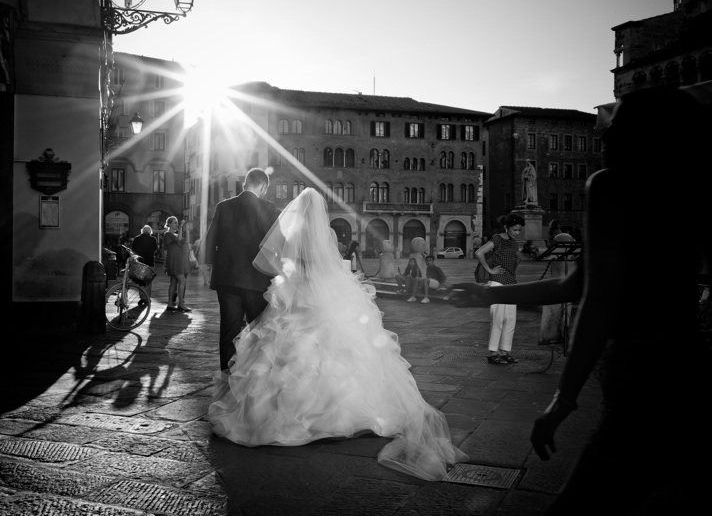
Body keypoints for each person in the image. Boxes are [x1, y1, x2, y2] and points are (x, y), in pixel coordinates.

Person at [449, 87, 711, 514]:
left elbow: (596, 297)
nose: (603, 136)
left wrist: (565, 397)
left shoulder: (613, 185)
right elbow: (575, 286)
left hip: (640, 373)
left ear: (644, 138)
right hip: (689, 364)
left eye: (617, 127)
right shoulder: (691, 192)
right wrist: (485, 294)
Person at [208, 188, 468, 481]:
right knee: (339, 348)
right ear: (321, 213)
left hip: (297, 295)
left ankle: (285, 414)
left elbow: (278, 264)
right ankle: (342, 413)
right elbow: (333, 268)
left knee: (278, 347)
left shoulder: (290, 234)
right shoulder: (327, 235)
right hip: (322, 297)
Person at [203, 167, 280, 372]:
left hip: (227, 281)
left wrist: (210, 264)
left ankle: (227, 377)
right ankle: (252, 379)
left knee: (229, 330)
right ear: (263, 186)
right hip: (257, 281)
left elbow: (211, 241)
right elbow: (276, 244)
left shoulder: (224, 207)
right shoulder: (268, 208)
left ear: (245, 184)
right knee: (258, 331)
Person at [475, 214, 524, 364]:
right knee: (498, 319)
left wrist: (516, 260)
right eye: (514, 230)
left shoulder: (513, 243)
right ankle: (492, 353)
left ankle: (504, 351)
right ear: (506, 227)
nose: (517, 233)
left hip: (511, 283)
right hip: (497, 283)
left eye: (519, 230)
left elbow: (518, 256)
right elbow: (479, 253)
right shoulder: (497, 239)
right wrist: (490, 270)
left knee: (510, 319)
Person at [159, 216, 192, 312]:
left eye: (177, 223)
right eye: (174, 223)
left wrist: (187, 231)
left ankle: (170, 304)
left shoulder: (175, 234)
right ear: (169, 224)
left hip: (177, 260)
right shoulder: (167, 234)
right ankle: (181, 304)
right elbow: (178, 240)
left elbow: (185, 241)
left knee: (173, 282)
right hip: (174, 260)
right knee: (182, 281)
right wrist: (181, 227)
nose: (176, 224)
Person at [131, 225, 158, 305]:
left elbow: (133, 249)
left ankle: (142, 297)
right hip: (149, 261)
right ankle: (147, 297)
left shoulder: (137, 238)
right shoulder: (153, 239)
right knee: (148, 280)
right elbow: (155, 249)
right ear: (150, 232)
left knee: (140, 280)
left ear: (142, 231)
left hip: (139, 262)